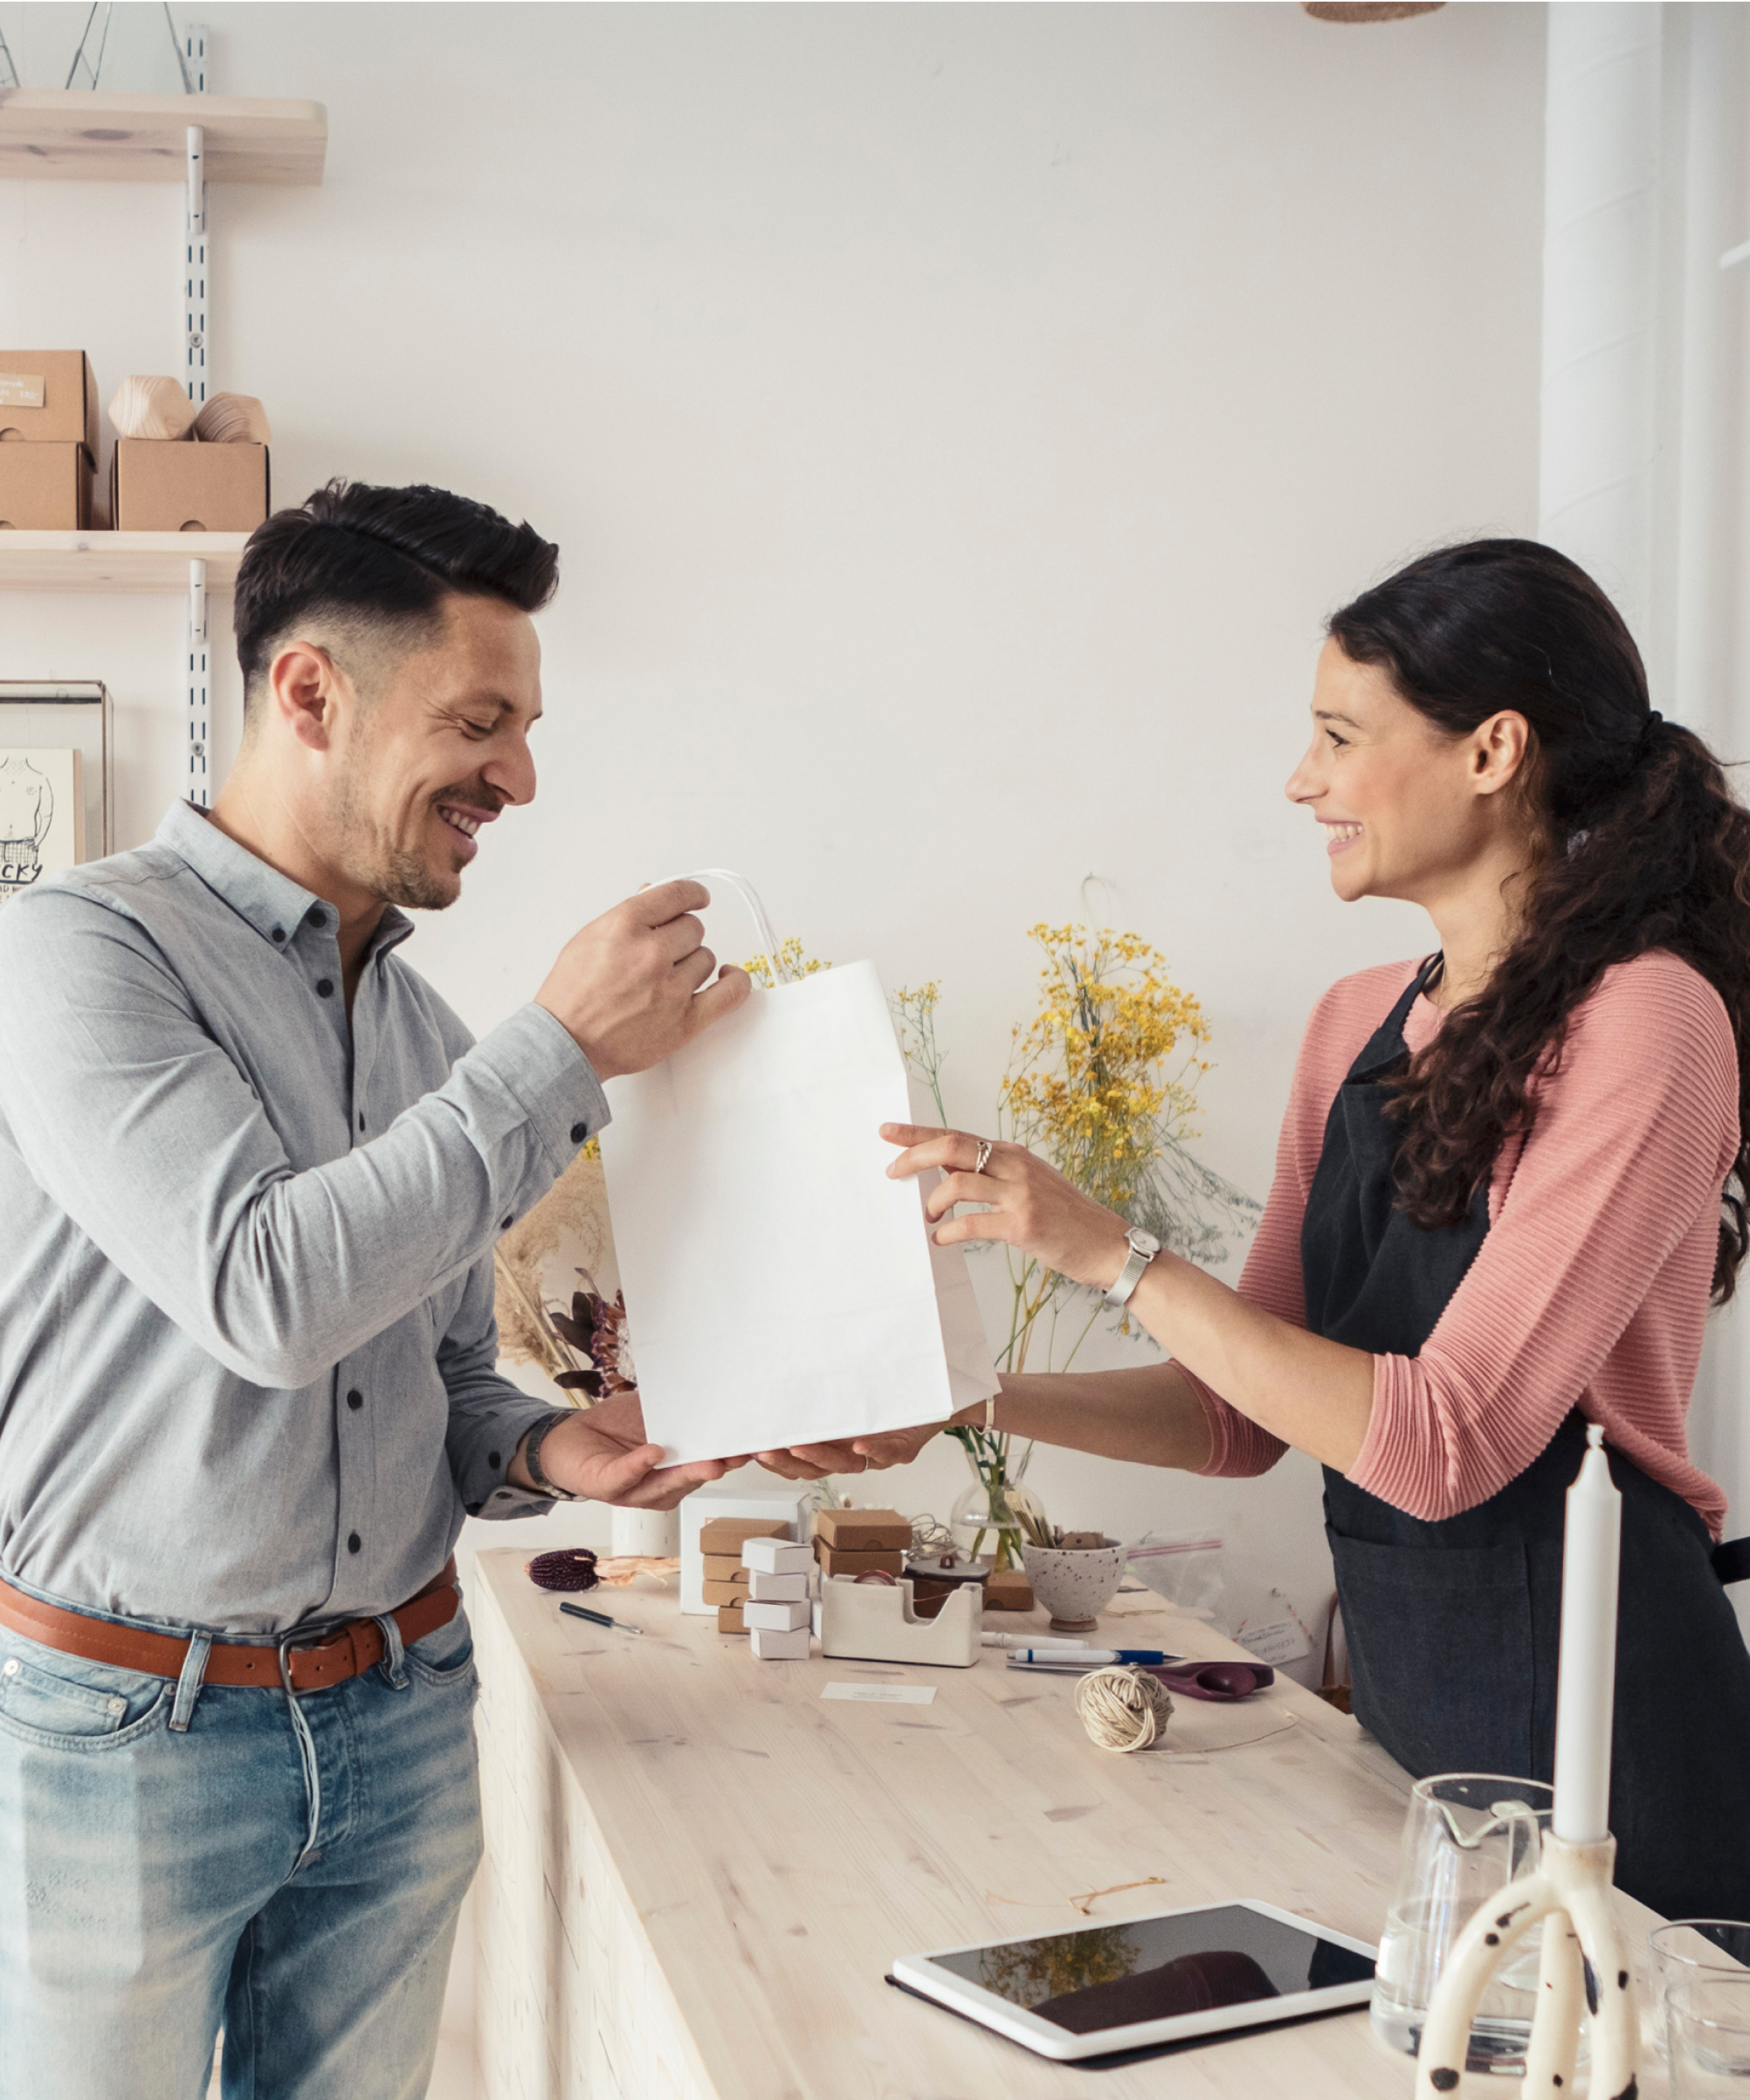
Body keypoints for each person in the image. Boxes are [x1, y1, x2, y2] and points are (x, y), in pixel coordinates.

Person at [0, 479, 754, 2100]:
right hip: (126, 1736)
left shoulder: (420, 1038)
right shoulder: (79, 954)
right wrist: (560, 1049)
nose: (521, 778)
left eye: (530, 728)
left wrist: (556, 1450)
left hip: (401, 1712)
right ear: (311, 693)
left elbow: (436, 1372)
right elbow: (262, 1289)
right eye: (483, 720)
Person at [868, 540, 1750, 1920]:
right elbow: (1243, 1417)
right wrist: (955, 1403)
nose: (1302, 781)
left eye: (1339, 737)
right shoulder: (1355, 1024)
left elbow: (1444, 1446)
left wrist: (1115, 1254)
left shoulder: (1650, 1021)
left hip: (1613, 1731)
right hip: (1421, 1724)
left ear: (1492, 750)